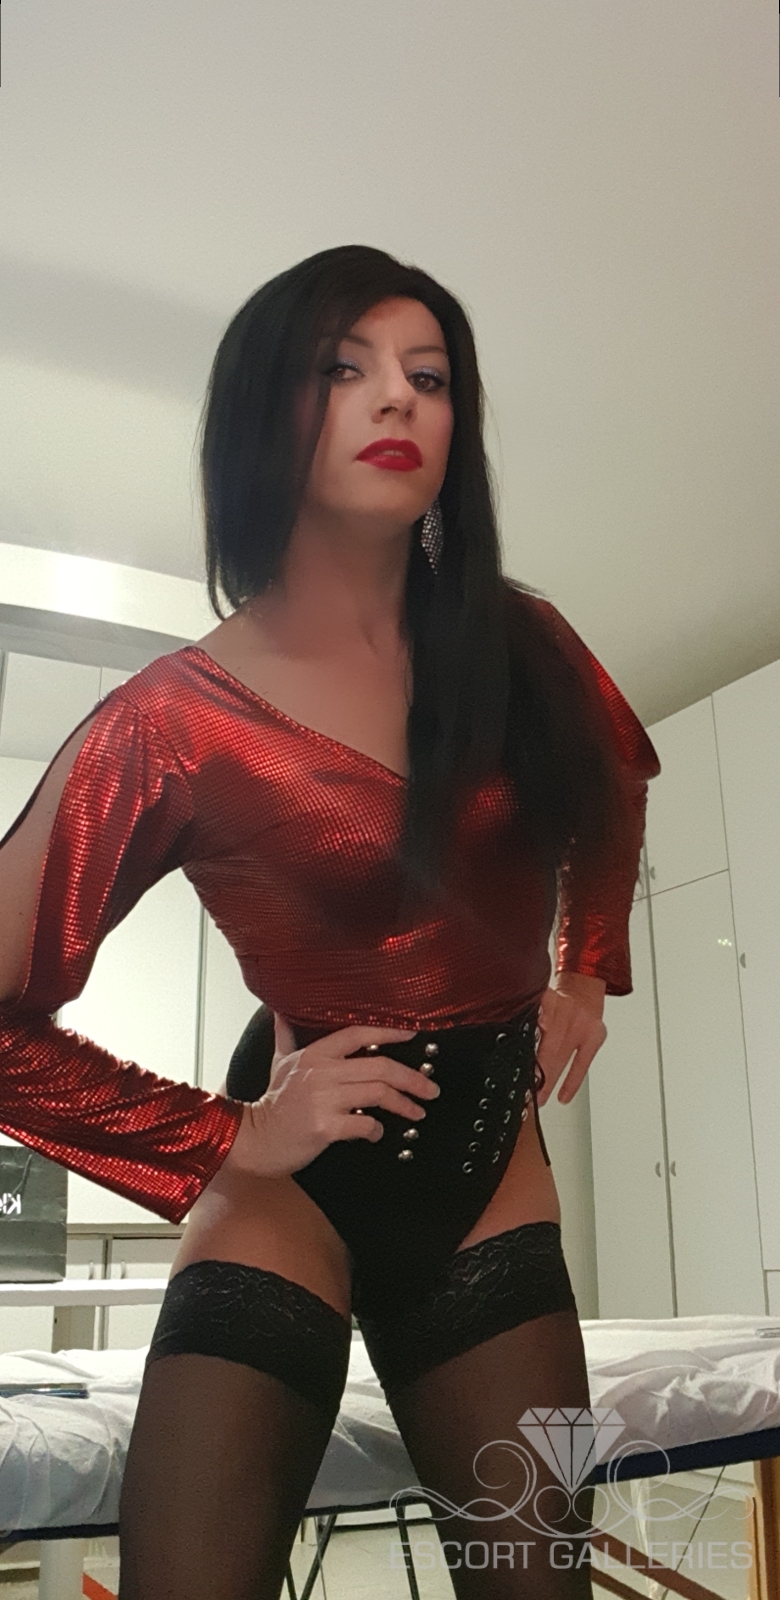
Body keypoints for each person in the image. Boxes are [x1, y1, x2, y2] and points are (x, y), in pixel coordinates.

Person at [0, 244, 659, 1598]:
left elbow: (616, 783)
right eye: (344, 369)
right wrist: (221, 1136)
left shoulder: (526, 644)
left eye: (430, 376)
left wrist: (586, 968)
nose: (399, 397)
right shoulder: (170, 723)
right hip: (284, 1191)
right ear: (266, 413)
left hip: (493, 1167)